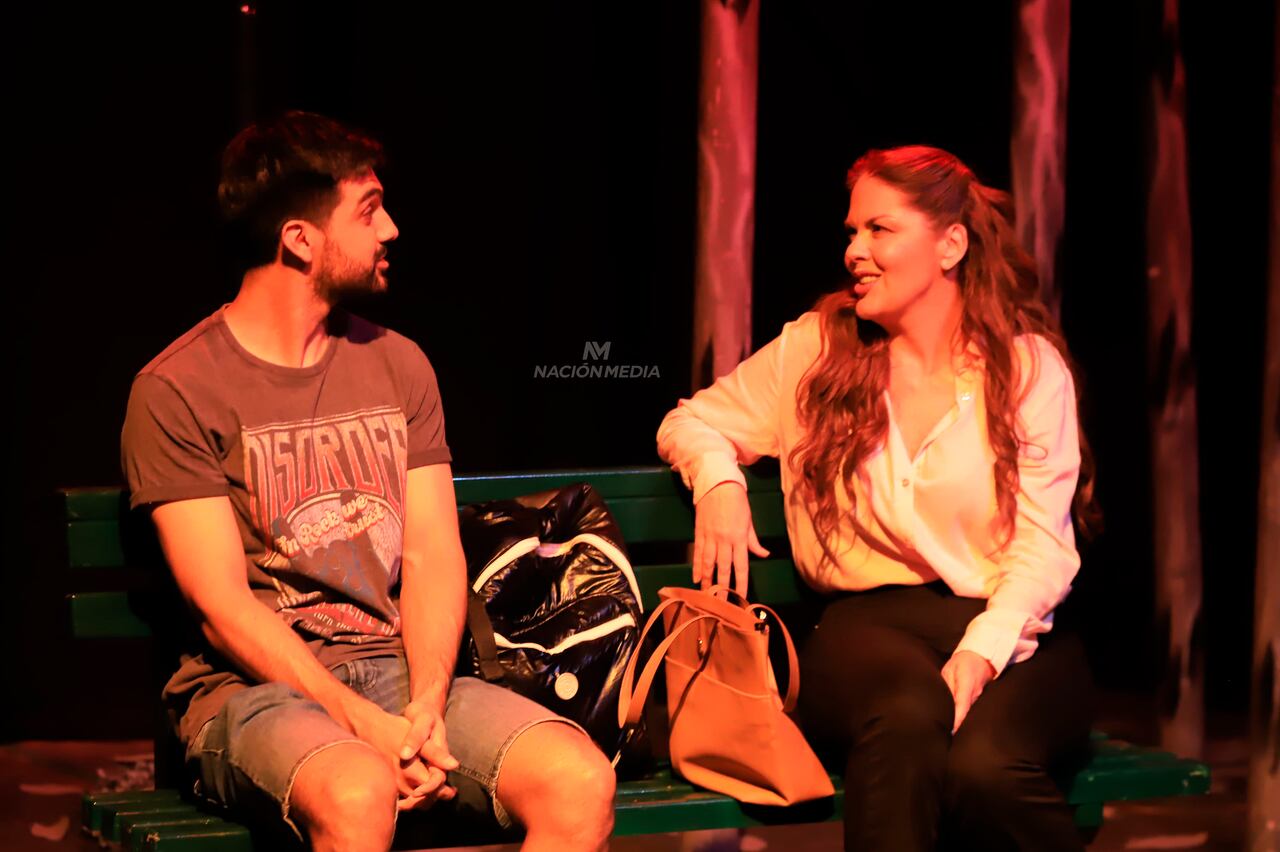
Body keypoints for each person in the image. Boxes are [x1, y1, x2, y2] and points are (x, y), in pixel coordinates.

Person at [121, 111, 615, 852]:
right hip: (254, 694)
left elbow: (431, 555)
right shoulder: (178, 389)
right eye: (368, 210)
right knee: (359, 791)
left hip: (397, 676)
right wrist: (359, 722)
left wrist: (425, 706)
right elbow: (222, 607)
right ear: (299, 239)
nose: (391, 229)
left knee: (579, 781)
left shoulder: (398, 364)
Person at [657, 145, 1098, 851]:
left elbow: (1043, 546)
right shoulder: (815, 352)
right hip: (864, 630)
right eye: (852, 231)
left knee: (986, 772)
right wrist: (719, 482)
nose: (854, 251)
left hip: (1010, 624)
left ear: (951, 245)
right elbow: (692, 420)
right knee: (906, 717)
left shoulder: (1025, 370)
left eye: (879, 229)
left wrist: (983, 650)